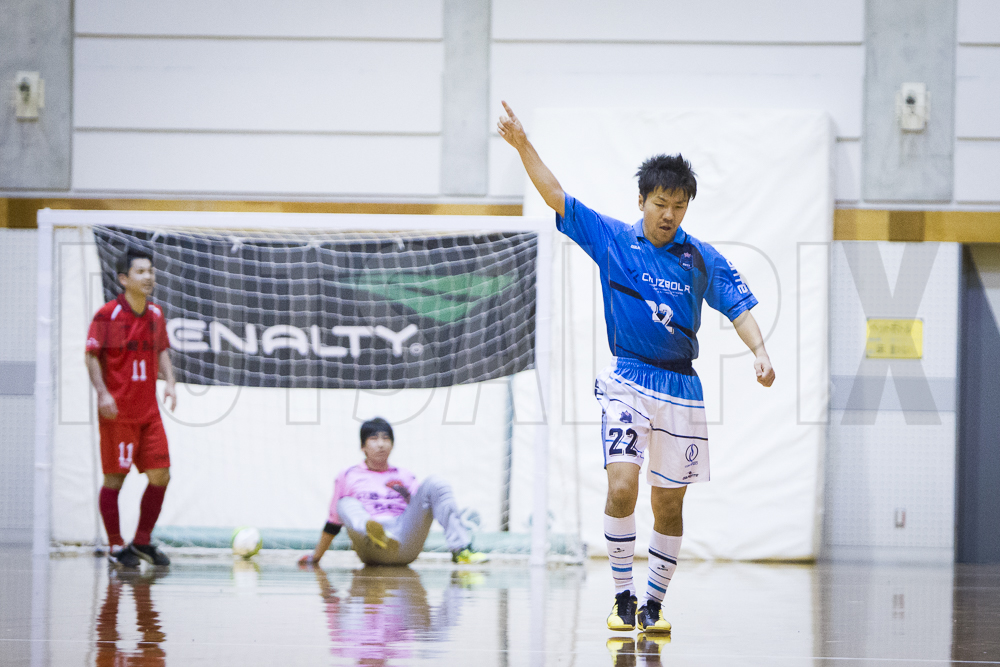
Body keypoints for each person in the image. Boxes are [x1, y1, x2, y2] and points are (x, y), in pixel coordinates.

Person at [497, 101, 775, 633]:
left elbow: (740, 309)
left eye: (679, 206)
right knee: (622, 486)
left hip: (681, 388)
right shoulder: (613, 239)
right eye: (660, 203)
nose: (669, 214)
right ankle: (623, 597)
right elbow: (557, 196)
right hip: (627, 380)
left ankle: (654, 604)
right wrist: (522, 144)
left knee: (668, 506)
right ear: (642, 201)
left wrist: (760, 352)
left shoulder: (701, 258)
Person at [86, 248, 177, 568]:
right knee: (115, 479)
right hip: (118, 414)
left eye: (150, 271)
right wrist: (102, 394)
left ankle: (141, 541)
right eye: (141, 272)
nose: (148, 277)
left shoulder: (155, 314)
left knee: (161, 475)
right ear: (124, 279)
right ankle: (115, 546)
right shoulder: (108, 315)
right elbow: (91, 355)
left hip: (149, 413)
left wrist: (170, 381)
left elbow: (161, 349)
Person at [299, 417, 487, 567]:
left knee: (436, 483)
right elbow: (333, 522)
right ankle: (375, 532)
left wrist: (403, 493)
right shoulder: (349, 475)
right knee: (344, 503)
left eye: (386, 439)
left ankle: (461, 549)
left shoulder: (404, 476)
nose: (381, 444)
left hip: (404, 540)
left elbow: (420, 509)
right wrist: (316, 556)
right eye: (374, 439)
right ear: (363, 446)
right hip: (370, 547)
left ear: (392, 444)